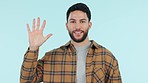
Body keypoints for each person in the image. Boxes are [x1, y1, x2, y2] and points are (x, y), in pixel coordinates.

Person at [20, 3, 122, 83]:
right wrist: (33, 48)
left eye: (82, 21)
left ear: (89, 25)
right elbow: (26, 81)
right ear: (67, 25)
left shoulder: (107, 57)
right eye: (73, 21)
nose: (77, 27)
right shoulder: (51, 57)